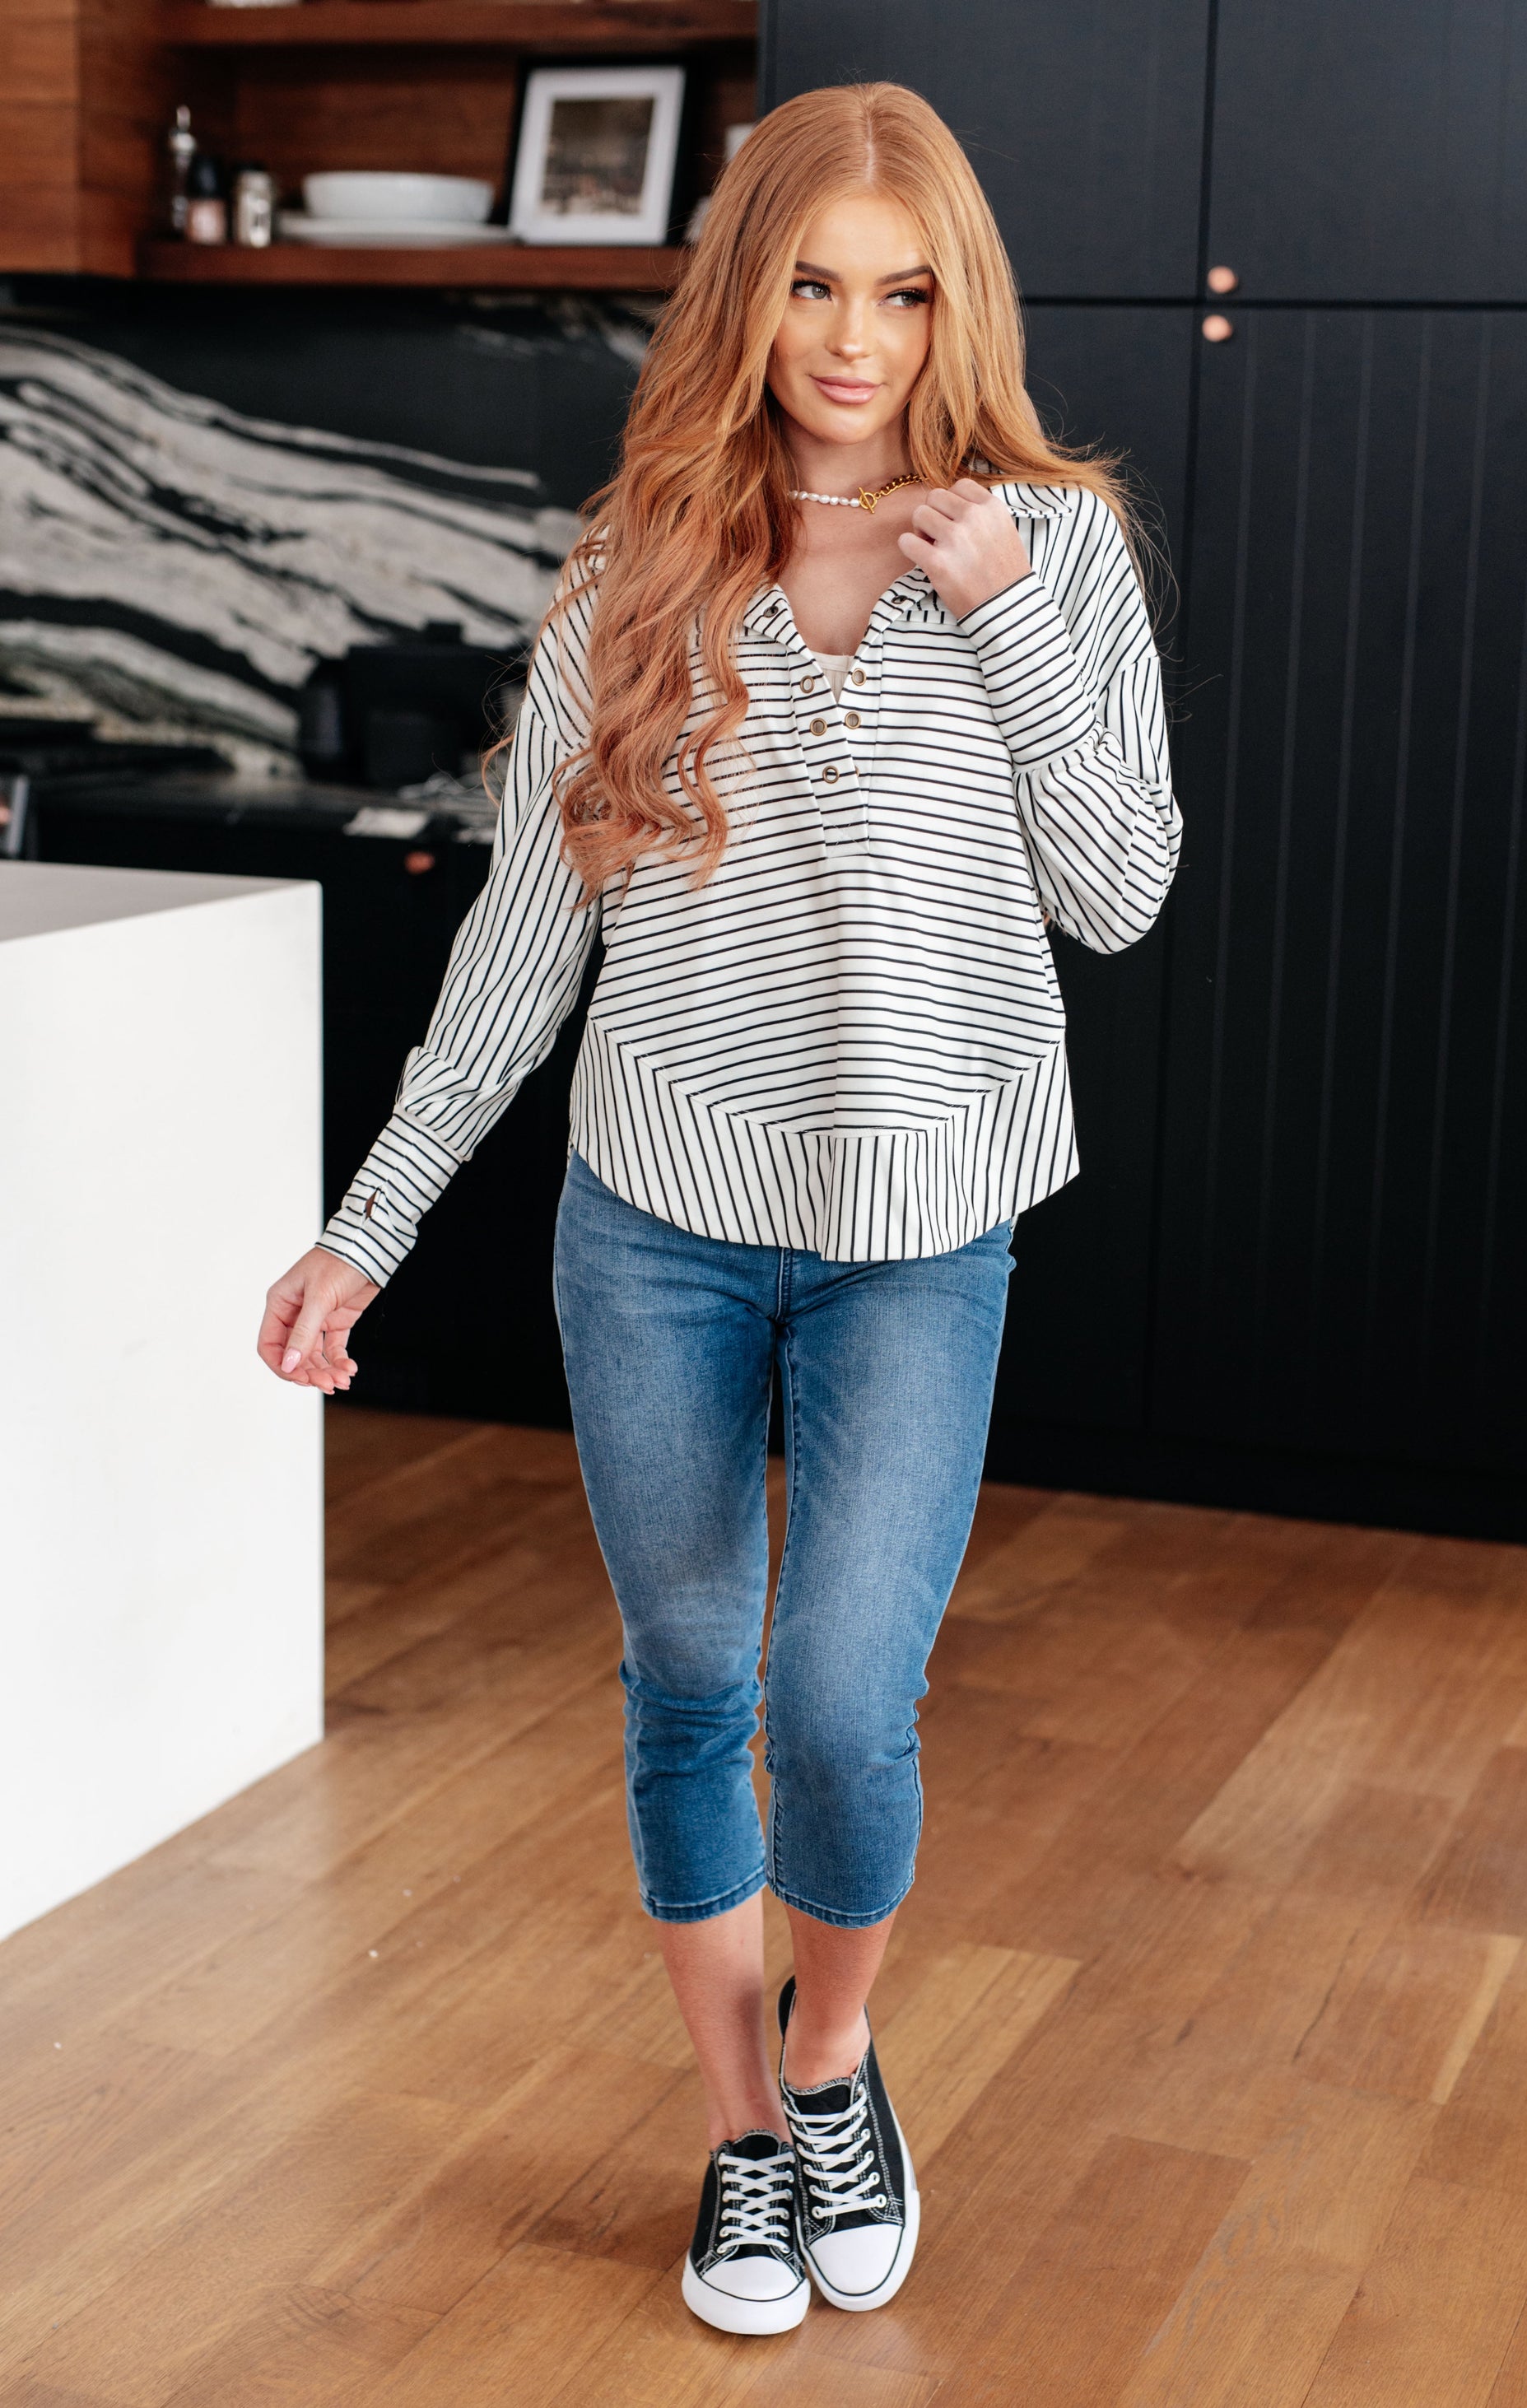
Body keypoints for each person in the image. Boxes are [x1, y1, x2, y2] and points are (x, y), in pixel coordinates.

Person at [258, 81, 1180, 2338]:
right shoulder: (638, 564)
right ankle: (743, 2135)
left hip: (917, 1225)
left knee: (845, 1704)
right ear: (742, 295)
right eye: (812, 286)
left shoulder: (1049, 551)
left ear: (958, 305)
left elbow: (1119, 893)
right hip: (654, 1222)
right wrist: (369, 1221)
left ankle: (835, 2060)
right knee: (690, 1683)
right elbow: (523, 938)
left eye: (904, 292)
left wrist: (1002, 617)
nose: (855, 340)